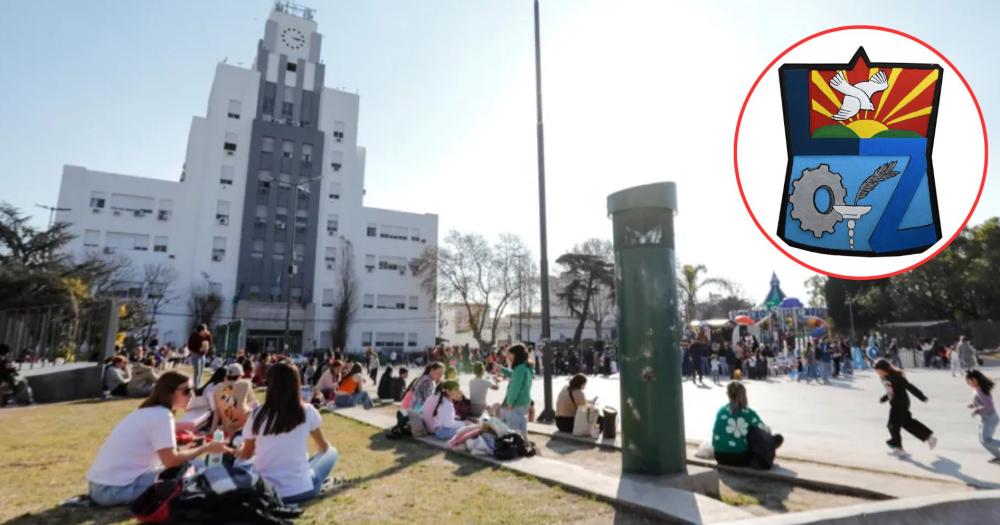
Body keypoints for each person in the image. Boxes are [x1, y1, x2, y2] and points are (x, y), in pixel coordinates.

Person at [87, 371, 231, 506]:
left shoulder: (148, 411)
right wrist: (205, 448)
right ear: (169, 392)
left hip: (102, 486)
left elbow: (165, 454)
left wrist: (192, 447)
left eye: (193, 390)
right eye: (187, 391)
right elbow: (171, 461)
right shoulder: (162, 415)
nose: (192, 395)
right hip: (113, 490)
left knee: (196, 465)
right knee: (192, 476)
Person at [238, 362, 338, 505]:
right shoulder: (307, 411)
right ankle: (304, 471)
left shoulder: (257, 415)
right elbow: (323, 448)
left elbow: (246, 454)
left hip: (267, 492)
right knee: (332, 452)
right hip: (301, 490)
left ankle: (303, 468)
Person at [712, 382, 783, 469]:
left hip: (720, 457)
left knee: (748, 431)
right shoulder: (749, 413)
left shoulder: (721, 411)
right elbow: (764, 430)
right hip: (738, 458)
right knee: (758, 432)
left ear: (728, 395)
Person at [873, 359, 936, 457]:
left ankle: (898, 448)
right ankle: (929, 437)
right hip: (897, 403)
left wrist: (922, 397)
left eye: (878, 371)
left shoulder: (895, 377)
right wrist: (884, 398)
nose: (877, 373)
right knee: (907, 423)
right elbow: (891, 390)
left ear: (884, 369)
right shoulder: (884, 377)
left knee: (892, 425)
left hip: (900, 403)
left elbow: (909, 386)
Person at [212, 363, 258, 435]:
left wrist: (212, 430)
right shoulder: (246, 384)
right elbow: (253, 403)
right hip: (243, 428)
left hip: (227, 428)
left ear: (227, 375)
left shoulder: (217, 387)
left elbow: (216, 412)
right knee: (255, 404)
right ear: (240, 375)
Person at [966, 370, 1000, 463]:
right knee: (983, 441)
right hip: (987, 418)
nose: (970, 383)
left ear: (976, 379)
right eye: (968, 381)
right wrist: (973, 405)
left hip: (990, 418)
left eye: (971, 380)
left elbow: (989, 405)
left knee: (986, 440)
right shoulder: (978, 389)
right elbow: (982, 402)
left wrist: (977, 410)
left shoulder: (980, 390)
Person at [499, 343, 534, 434]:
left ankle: (517, 446)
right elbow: (515, 376)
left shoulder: (519, 369)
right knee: (522, 428)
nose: (508, 357)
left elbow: (515, 388)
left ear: (516, 355)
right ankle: (523, 445)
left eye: (509, 354)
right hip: (525, 401)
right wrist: (502, 369)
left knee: (514, 431)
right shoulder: (525, 367)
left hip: (517, 404)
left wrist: (510, 403)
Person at [186, 324, 213, 388]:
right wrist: (198, 350)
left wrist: (209, 335)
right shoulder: (194, 336)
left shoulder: (205, 335)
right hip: (195, 354)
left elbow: (210, 343)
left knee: (201, 370)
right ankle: (195, 386)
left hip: (202, 355)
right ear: (201, 330)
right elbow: (190, 346)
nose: (206, 331)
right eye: (205, 329)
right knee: (197, 370)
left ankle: (198, 384)